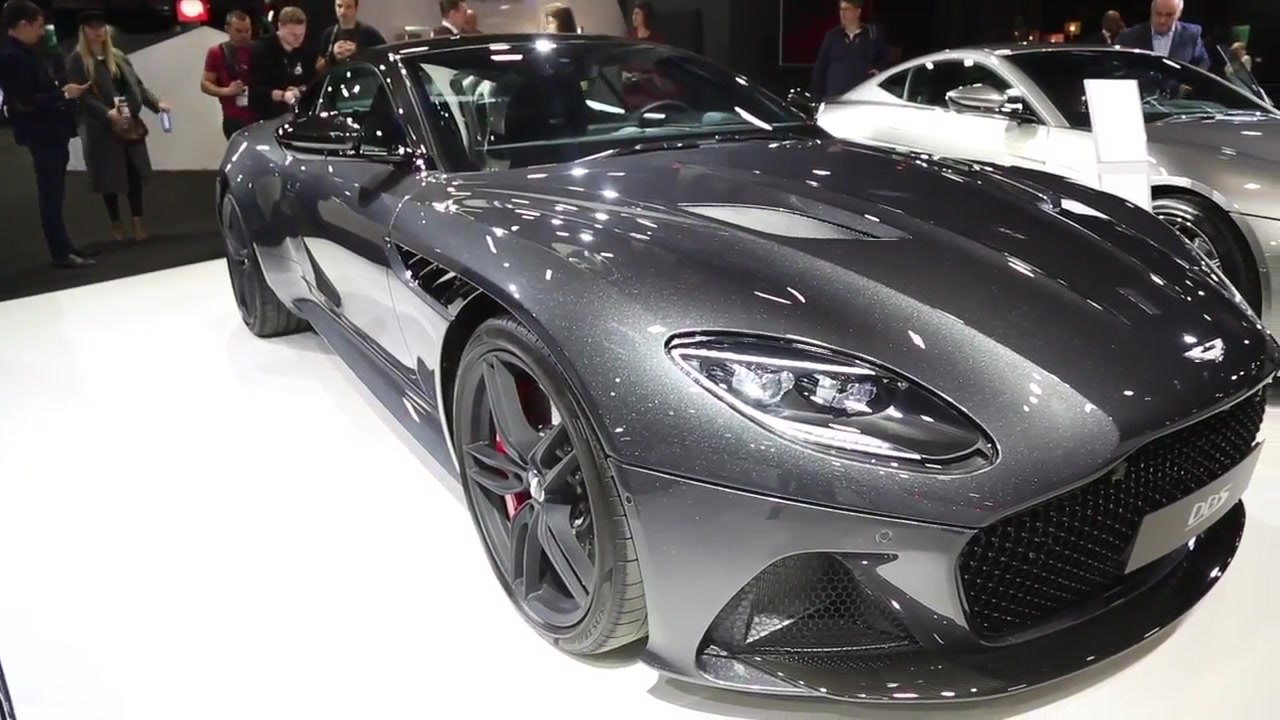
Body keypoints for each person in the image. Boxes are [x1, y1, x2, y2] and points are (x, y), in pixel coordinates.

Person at [0, 0, 95, 267]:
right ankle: (61, 252)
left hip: (50, 131)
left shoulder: (25, 53)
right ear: (23, 24)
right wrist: (63, 94)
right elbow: (23, 101)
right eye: (39, 26)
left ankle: (65, 247)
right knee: (51, 194)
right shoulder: (13, 57)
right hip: (42, 134)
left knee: (55, 193)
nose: (42, 32)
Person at [66, 10, 169, 243]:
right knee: (108, 177)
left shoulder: (118, 56)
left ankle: (137, 220)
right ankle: (115, 222)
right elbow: (83, 96)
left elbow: (137, 86)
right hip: (100, 127)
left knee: (134, 173)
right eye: (92, 27)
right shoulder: (77, 60)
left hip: (128, 121)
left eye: (101, 26)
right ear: (84, 31)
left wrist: (156, 104)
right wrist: (106, 113)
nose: (98, 31)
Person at [247, 5, 317, 121]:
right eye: (293, 35)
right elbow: (255, 92)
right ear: (280, 27)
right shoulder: (262, 49)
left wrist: (300, 90)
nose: (298, 39)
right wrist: (283, 95)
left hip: (297, 115)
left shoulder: (305, 49)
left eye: (301, 34)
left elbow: (311, 80)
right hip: (268, 116)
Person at [808, 0, 888, 101]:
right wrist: (817, 95)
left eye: (847, 9)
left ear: (858, 12)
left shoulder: (871, 35)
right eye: (841, 9)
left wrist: (877, 69)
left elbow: (884, 59)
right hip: (835, 97)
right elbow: (820, 67)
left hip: (862, 96)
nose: (843, 13)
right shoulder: (832, 36)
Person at [201, 9, 256, 140]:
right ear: (227, 29)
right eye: (239, 31)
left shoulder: (259, 49)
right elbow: (205, 83)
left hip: (260, 115)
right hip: (234, 118)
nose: (244, 35)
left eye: (247, 30)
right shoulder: (216, 52)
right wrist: (227, 91)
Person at [1116, 0, 1209, 69]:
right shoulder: (1128, 37)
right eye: (1158, 14)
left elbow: (1203, 63)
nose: (1162, 20)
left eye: (1169, 15)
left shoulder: (1191, 35)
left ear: (1179, 13)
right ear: (1151, 10)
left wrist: (1190, 85)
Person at [316, 0, 385, 74]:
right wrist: (331, 56)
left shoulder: (370, 33)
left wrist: (359, 52)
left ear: (356, 9)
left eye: (348, 7)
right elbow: (318, 69)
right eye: (339, 6)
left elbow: (385, 59)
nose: (343, 11)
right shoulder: (329, 34)